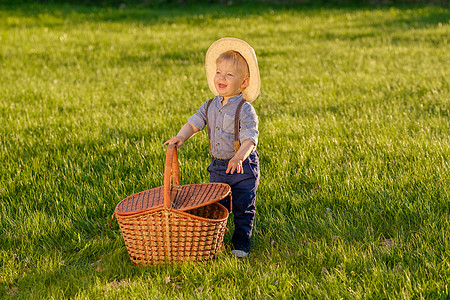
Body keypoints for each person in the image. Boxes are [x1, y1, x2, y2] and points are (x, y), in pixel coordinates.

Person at [164, 37, 260, 258]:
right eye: (218, 72)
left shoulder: (245, 109)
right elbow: (194, 123)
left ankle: (241, 241)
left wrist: (239, 158)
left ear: (243, 82)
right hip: (218, 167)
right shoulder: (209, 105)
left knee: (243, 206)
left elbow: (250, 140)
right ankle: (216, 238)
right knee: (219, 205)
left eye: (229, 74)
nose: (221, 78)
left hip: (242, 168)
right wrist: (181, 136)